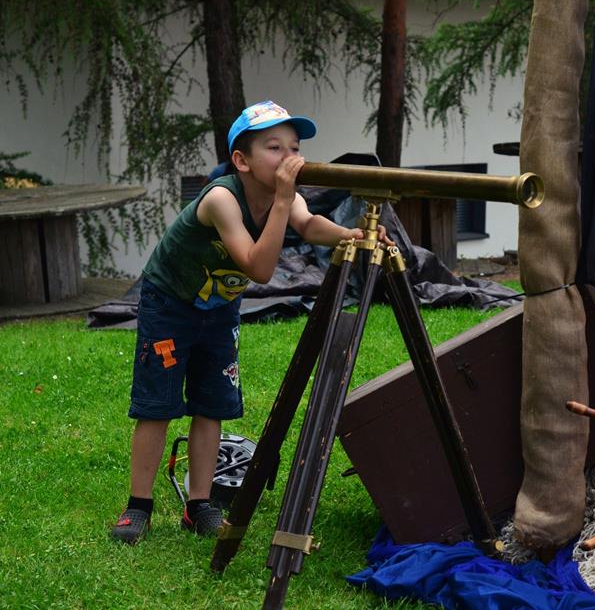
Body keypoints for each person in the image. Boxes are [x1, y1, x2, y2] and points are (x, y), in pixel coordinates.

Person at [111, 100, 390, 544]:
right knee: (157, 406)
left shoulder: (287, 198)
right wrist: (283, 201)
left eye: (294, 147)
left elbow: (311, 224)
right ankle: (137, 506)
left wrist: (351, 234)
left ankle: (199, 504)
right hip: (170, 304)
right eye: (274, 147)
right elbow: (259, 269)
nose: (289, 157)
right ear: (242, 160)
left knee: (213, 404)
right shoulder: (222, 199)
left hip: (219, 309)